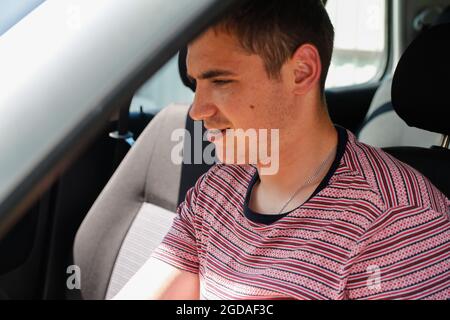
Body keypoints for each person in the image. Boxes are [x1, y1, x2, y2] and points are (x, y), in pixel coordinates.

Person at [113, 0, 450, 300]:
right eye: (196, 84)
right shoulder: (217, 190)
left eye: (220, 82)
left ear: (301, 71)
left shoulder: (401, 223)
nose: (197, 110)